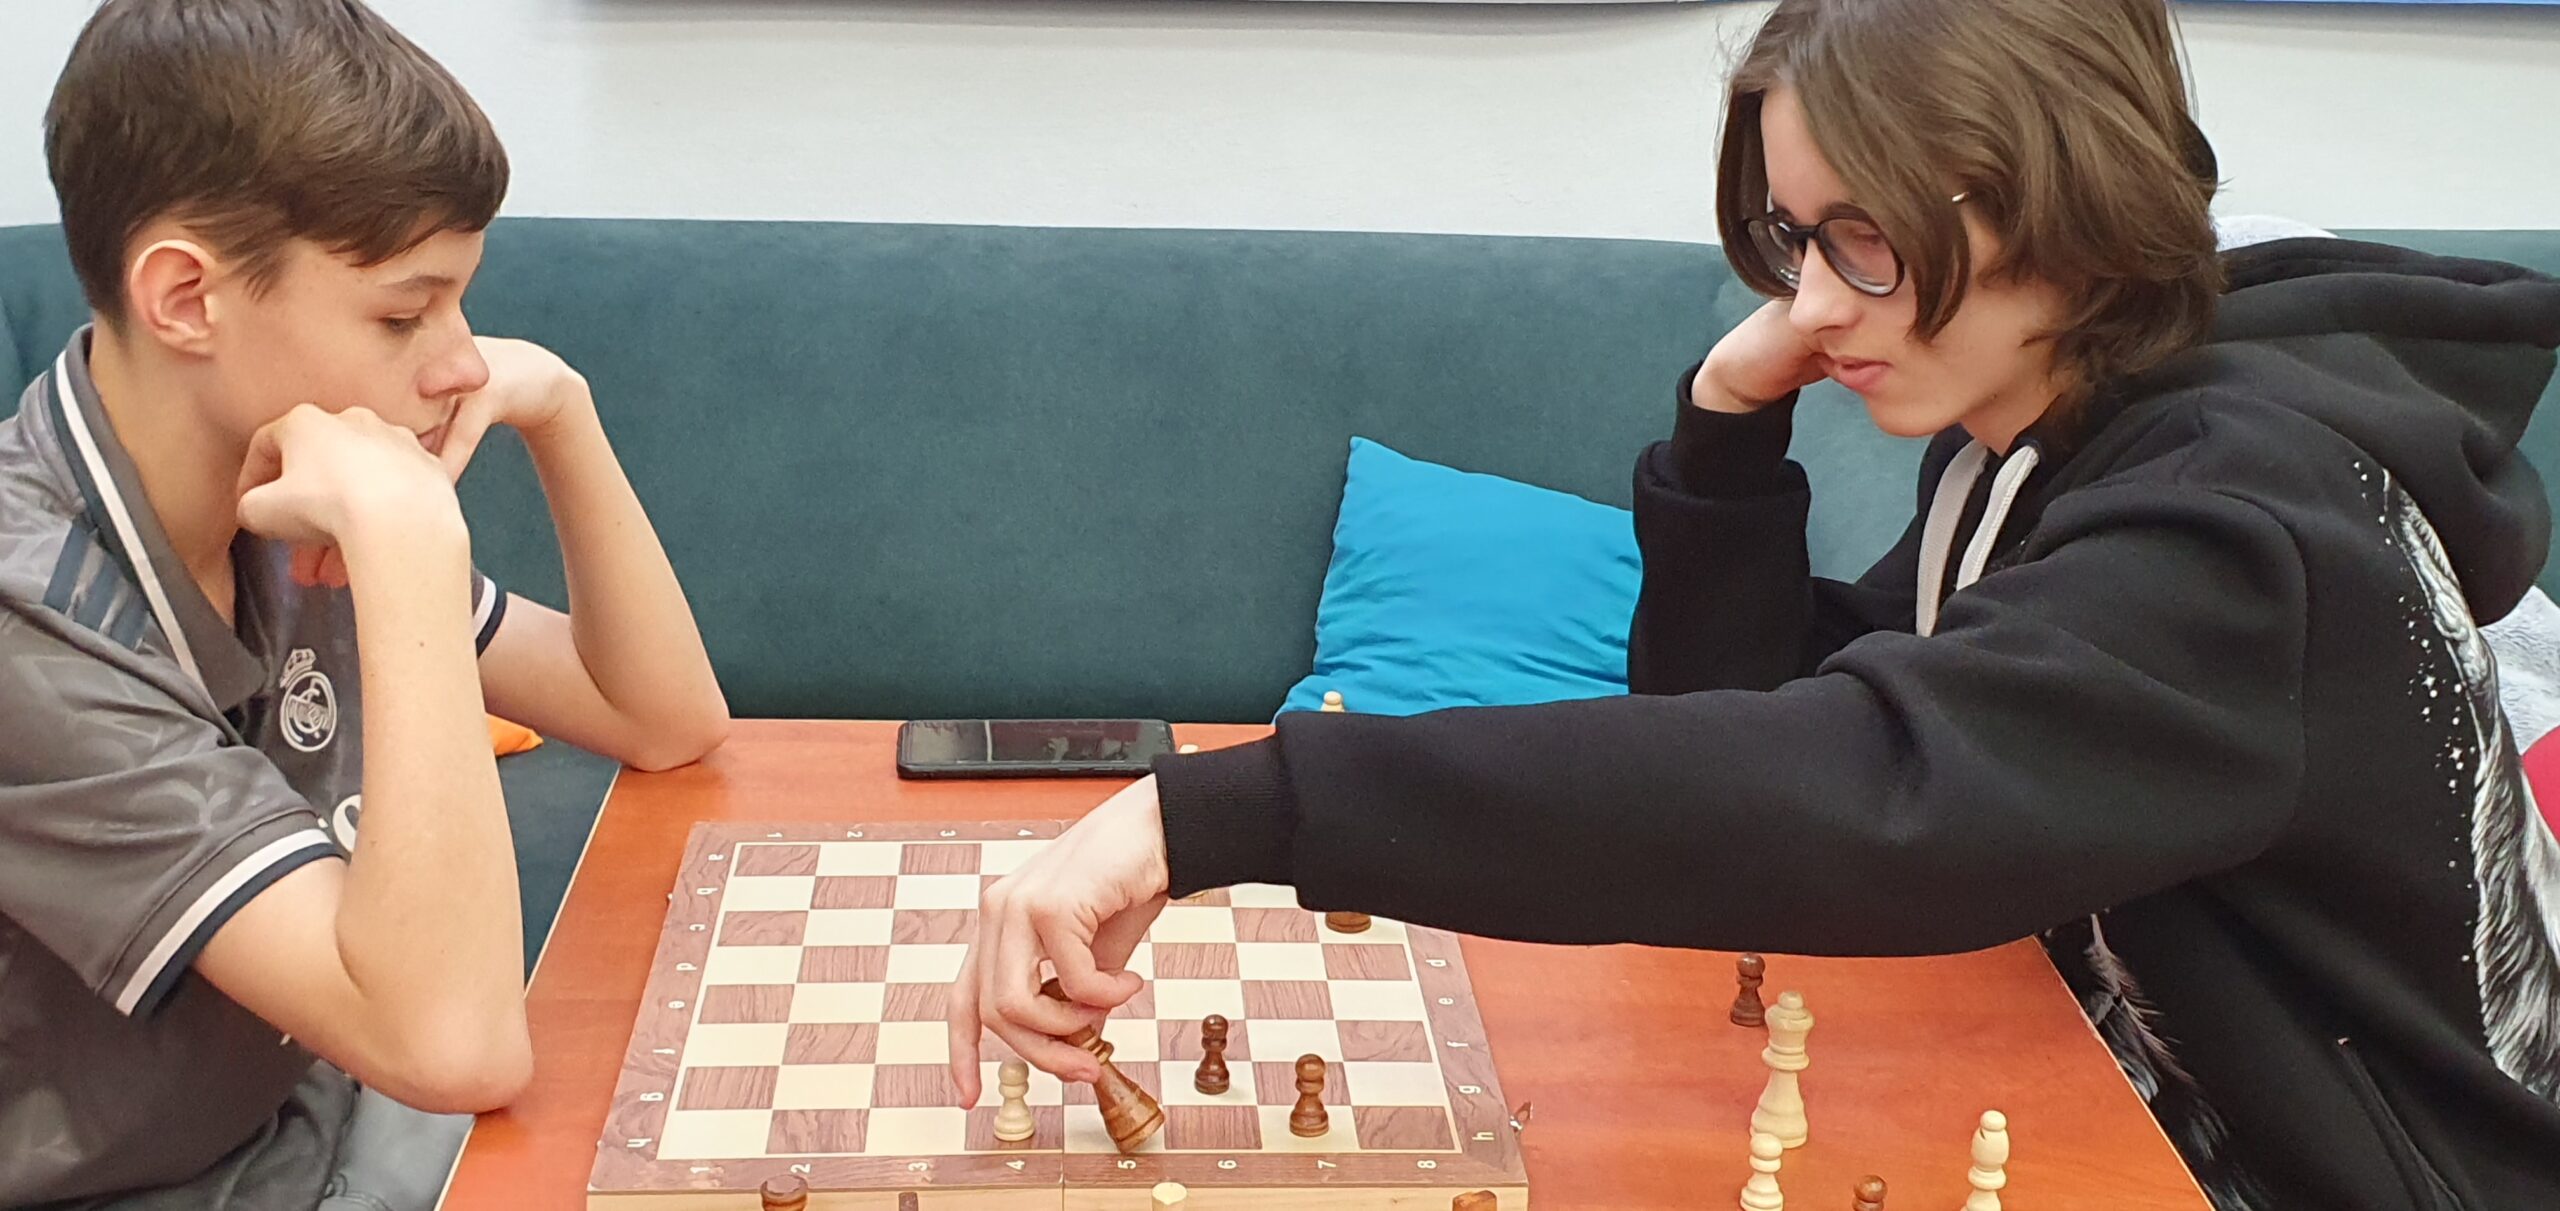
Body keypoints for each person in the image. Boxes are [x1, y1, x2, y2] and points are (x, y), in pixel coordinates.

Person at [946, 1, 2560, 1206]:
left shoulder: (2239, 522)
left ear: (2061, 192)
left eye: (1867, 241)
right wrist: (1727, 433)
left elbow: (1868, 792)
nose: (1814, 301)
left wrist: (1217, 812)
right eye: (1798, 239)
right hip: (2128, 1111)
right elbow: (1778, 713)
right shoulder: (2050, 438)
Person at [0, 1, 730, 1207]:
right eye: (403, 312)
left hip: (324, 1119)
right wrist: (409, 544)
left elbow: (659, 717)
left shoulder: (280, 486)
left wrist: (562, 410)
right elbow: (454, 1045)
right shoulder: (30, 616)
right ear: (185, 298)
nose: (461, 360)